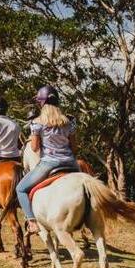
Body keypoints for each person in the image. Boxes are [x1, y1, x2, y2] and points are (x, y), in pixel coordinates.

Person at [15, 85, 80, 234]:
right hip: (71, 163)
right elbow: (75, 148)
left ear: (42, 103)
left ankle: (31, 222)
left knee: (20, 189)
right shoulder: (69, 122)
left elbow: (35, 148)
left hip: (49, 163)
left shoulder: (37, 123)